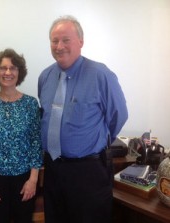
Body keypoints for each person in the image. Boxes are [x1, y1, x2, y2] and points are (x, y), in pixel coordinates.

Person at [38, 15, 128, 223]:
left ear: (81, 41)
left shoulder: (101, 75)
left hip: (88, 172)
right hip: (53, 169)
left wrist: (94, 140)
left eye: (66, 39)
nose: (59, 46)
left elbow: (118, 116)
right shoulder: (45, 76)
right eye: (54, 40)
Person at [0, 48, 43, 223]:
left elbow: (36, 142)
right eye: (2, 68)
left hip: (24, 178)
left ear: (19, 72)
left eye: (12, 68)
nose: (7, 72)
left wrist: (33, 180)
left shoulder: (30, 104)